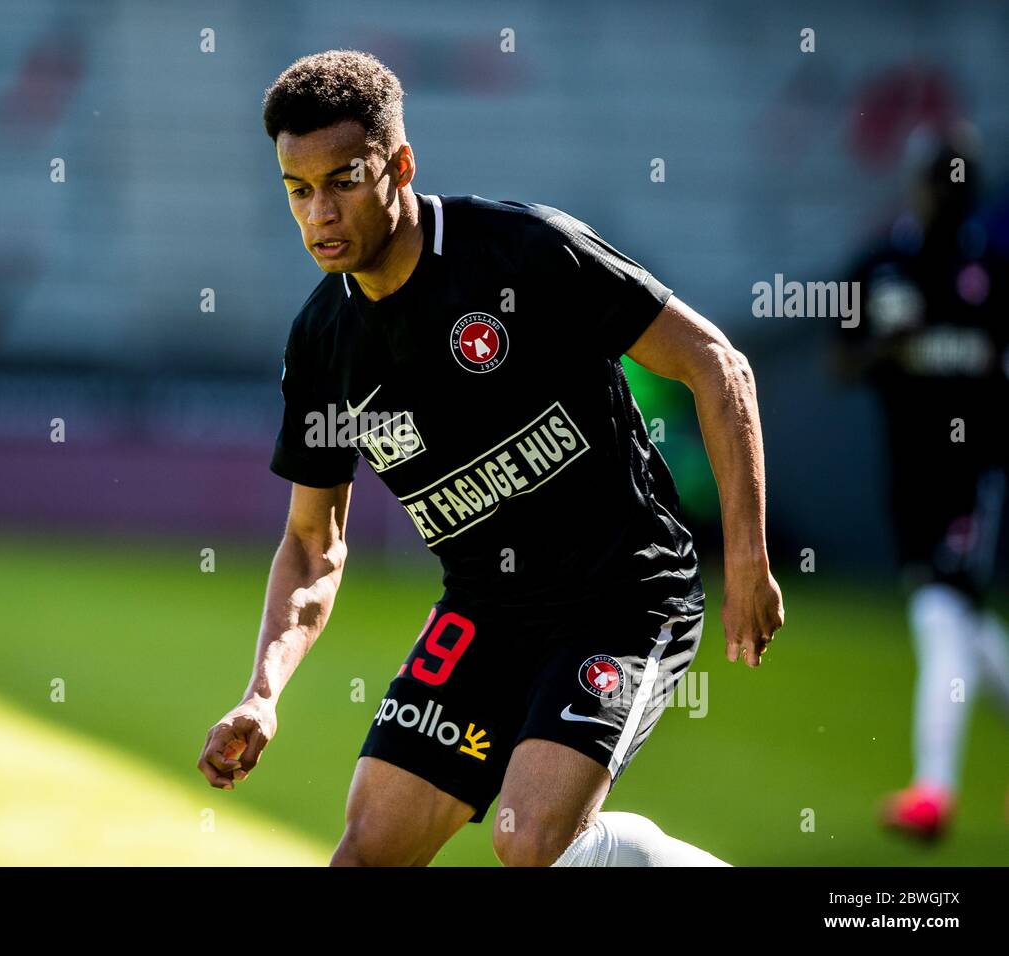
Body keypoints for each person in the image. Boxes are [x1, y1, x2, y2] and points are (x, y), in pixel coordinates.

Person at [197, 49, 784, 866]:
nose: (320, 213)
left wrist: (748, 557)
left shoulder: (521, 251)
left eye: (345, 179)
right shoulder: (323, 343)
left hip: (621, 591)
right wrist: (263, 694)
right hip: (486, 608)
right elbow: (311, 543)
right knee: (364, 855)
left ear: (400, 165)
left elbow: (716, 364)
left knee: (529, 841)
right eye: (299, 190)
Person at [837, 123, 1009, 841]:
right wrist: (887, 346)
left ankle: (932, 792)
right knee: (961, 624)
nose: (949, 190)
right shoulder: (881, 265)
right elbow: (840, 364)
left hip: (974, 472)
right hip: (909, 471)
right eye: (942, 176)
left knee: (942, 610)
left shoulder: (993, 267)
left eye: (959, 176)